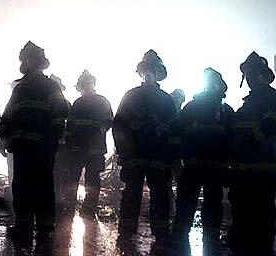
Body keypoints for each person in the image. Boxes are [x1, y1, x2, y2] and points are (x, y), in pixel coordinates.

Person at [0, 41, 67, 238]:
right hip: (22, 146)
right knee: (21, 184)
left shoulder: (50, 86)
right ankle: (23, 224)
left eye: (31, 59)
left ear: (37, 62)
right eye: (25, 59)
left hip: (42, 145)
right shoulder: (19, 88)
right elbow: (9, 114)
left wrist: (54, 139)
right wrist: (3, 137)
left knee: (43, 184)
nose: (28, 63)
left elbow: (60, 112)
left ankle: (45, 226)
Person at [113, 49, 176, 241]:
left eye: (152, 70)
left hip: (159, 157)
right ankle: (126, 231)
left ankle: (161, 232)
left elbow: (174, 131)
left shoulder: (167, 100)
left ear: (158, 73)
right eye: (145, 70)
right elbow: (119, 126)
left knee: (160, 193)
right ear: (140, 73)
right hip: (135, 157)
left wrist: (170, 157)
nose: (148, 73)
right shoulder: (130, 96)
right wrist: (124, 153)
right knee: (132, 192)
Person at [171, 68, 234, 242]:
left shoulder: (196, 108)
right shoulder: (225, 111)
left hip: (201, 167)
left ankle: (182, 244)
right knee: (200, 204)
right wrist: (177, 158)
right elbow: (176, 134)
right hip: (201, 167)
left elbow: (234, 140)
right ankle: (191, 242)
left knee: (198, 204)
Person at [228, 52, 276, 256]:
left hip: (263, 173)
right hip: (244, 174)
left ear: (263, 75)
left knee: (261, 223)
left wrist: (253, 136)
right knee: (243, 219)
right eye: (247, 74)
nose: (249, 77)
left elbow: (269, 131)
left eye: (252, 73)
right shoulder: (248, 104)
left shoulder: (271, 99)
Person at [63, 69, 113, 216]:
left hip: (82, 149)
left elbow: (108, 122)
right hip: (89, 149)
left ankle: (76, 207)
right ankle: (85, 208)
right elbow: (108, 122)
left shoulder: (79, 103)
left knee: (78, 178)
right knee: (88, 179)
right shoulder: (100, 102)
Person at [49, 74, 72, 209]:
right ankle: (56, 198)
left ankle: (56, 197)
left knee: (57, 172)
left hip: (58, 145)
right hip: (58, 144)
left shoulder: (66, 104)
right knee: (56, 172)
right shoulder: (66, 104)